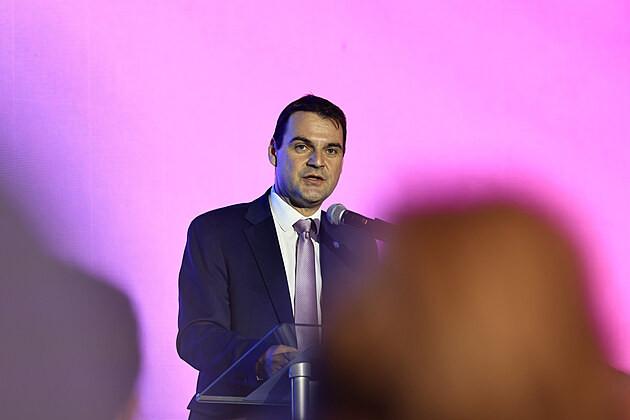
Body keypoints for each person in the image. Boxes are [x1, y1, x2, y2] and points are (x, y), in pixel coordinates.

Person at [177, 94, 378, 419]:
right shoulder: (216, 231)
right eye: (302, 146)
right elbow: (196, 335)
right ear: (274, 151)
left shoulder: (358, 243)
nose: (317, 161)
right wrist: (260, 357)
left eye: (331, 150)